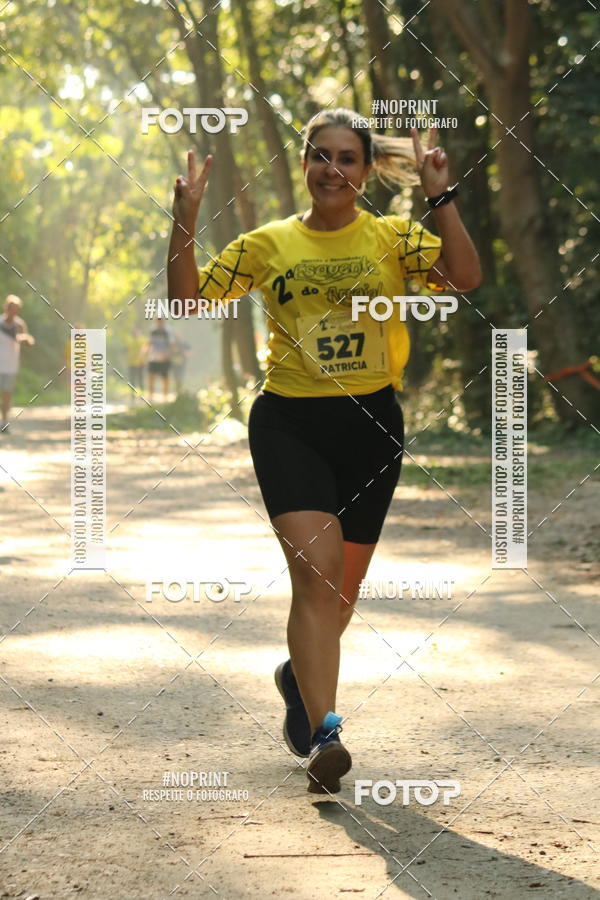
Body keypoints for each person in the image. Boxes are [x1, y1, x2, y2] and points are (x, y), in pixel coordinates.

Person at [166, 108, 481, 794]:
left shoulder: (395, 239)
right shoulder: (266, 244)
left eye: (347, 158)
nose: (332, 169)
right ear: (305, 164)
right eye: (320, 156)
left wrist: (441, 196)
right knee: (315, 581)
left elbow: (463, 277)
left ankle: (296, 679)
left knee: (339, 596)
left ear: (367, 173)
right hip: (289, 424)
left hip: (372, 427)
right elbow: (188, 302)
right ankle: (325, 735)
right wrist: (185, 217)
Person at [0, 295, 36, 433]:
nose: (13, 312)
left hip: (10, 366)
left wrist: (24, 339)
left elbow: (29, 341)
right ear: (6, 308)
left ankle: (4, 423)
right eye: (11, 309)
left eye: (16, 310)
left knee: (6, 396)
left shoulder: (19, 325)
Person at [146, 319, 174, 401]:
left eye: (160, 320)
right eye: (158, 320)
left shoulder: (167, 332)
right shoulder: (153, 331)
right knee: (151, 376)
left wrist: (167, 355)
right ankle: (150, 396)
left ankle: (165, 396)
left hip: (164, 358)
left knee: (165, 378)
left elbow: (171, 345)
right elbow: (149, 343)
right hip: (153, 358)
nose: (159, 322)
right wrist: (145, 352)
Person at [125, 327, 147, 397]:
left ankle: (142, 394)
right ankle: (132, 394)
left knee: (140, 379)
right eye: (133, 332)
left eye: (136, 332)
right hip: (131, 363)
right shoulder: (129, 340)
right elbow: (126, 350)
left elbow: (146, 350)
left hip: (140, 362)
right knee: (132, 379)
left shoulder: (143, 340)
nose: (135, 333)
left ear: (139, 332)